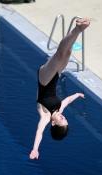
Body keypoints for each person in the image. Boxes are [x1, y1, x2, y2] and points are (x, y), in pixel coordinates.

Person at [30, 18, 90, 159]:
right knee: (68, 52)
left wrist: (35, 149)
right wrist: (77, 95)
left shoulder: (45, 117)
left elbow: (39, 132)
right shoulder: (59, 109)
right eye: (65, 119)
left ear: (53, 123)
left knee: (61, 53)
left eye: (61, 120)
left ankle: (78, 29)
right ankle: (79, 28)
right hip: (54, 77)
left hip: (44, 79)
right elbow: (67, 100)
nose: (63, 117)